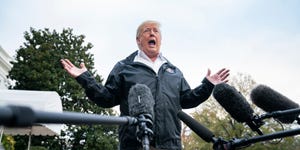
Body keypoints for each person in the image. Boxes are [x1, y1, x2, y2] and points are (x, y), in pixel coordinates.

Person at [60, 20, 230, 150]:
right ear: (138, 40)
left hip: (171, 144)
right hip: (135, 143)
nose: (152, 33)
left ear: (160, 40)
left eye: (155, 31)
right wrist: (85, 78)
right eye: (147, 31)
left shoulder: (174, 71)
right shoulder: (124, 67)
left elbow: (187, 100)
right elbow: (107, 98)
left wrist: (208, 84)